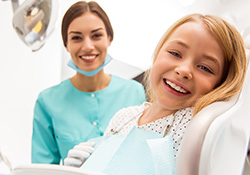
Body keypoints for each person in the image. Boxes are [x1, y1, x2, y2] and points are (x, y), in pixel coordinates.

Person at [64, 13, 247, 171]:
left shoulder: (194, 126)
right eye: (175, 53)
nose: (183, 70)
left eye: (205, 68)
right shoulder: (123, 117)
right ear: (158, 53)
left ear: (221, 84)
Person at [31, 1, 146, 164]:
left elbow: (144, 159)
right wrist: (66, 171)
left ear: (109, 39)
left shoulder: (135, 92)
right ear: (66, 45)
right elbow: (40, 171)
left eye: (96, 35)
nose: (87, 46)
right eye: (76, 38)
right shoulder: (47, 102)